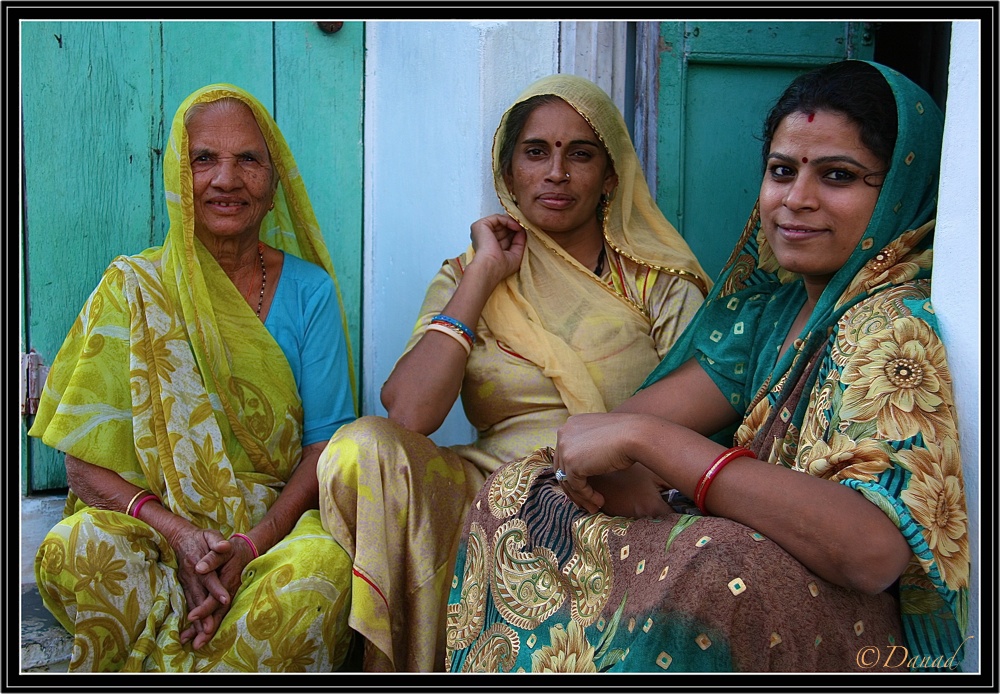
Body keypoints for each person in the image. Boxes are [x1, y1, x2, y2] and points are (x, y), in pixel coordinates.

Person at [446, 60, 970, 673]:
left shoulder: (888, 326)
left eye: (838, 176)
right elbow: (605, 437)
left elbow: (872, 553)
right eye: (781, 172)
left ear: (900, 192)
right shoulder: (773, 316)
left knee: (712, 568)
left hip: (844, 630)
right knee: (521, 493)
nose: (797, 200)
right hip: (768, 582)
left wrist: (647, 442)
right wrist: (616, 460)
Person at [316, 73, 711, 671]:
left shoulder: (656, 283)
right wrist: (483, 275)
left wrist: (601, 475)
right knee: (362, 445)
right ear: (508, 171)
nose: (556, 173)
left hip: (616, 490)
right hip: (487, 490)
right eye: (536, 152)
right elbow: (411, 413)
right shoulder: (468, 277)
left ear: (610, 176)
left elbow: (706, 415)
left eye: (580, 154)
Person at [30, 84, 357, 672]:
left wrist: (252, 543)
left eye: (248, 160)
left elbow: (324, 446)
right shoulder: (132, 288)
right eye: (204, 158)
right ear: (179, 177)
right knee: (73, 548)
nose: (226, 179)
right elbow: (81, 463)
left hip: (268, 530)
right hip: (153, 529)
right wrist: (181, 535)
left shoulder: (309, 291)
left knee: (326, 571)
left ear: (274, 180)